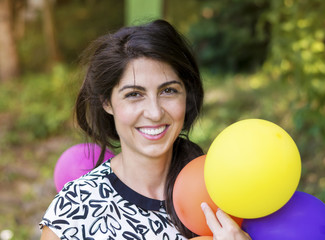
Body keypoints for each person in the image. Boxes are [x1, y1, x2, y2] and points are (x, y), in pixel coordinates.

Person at [39, 19, 251, 240]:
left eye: (168, 91)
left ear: (186, 94)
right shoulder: (74, 210)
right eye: (134, 94)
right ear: (107, 102)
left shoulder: (223, 192)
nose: (154, 112)